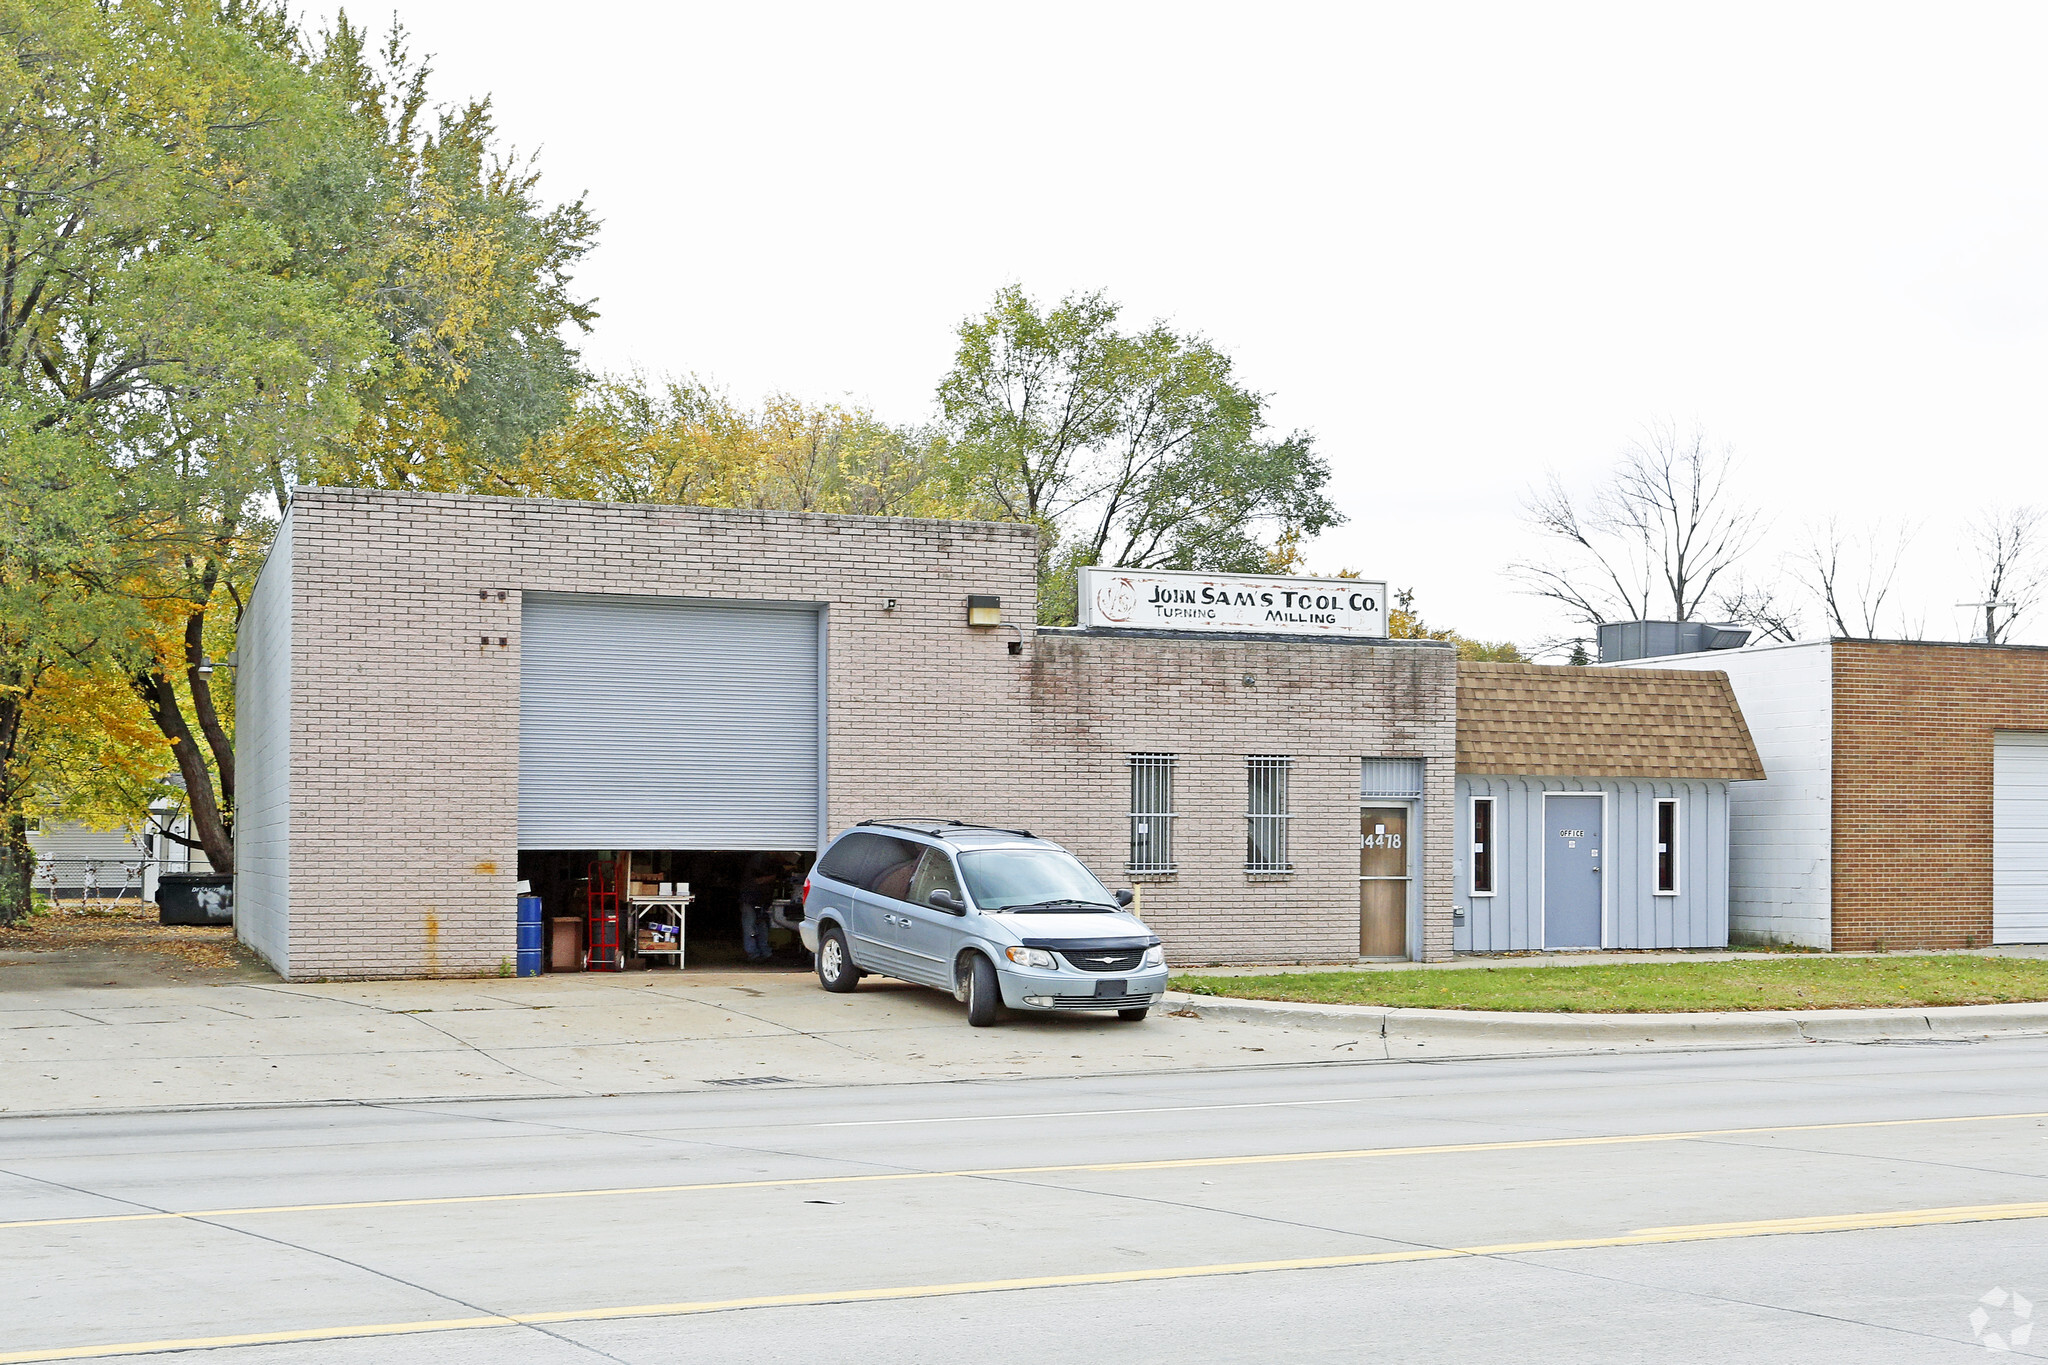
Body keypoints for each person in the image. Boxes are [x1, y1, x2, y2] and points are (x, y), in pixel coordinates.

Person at [738, 852, 786, 964]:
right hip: (750, 899)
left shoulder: (767, 861)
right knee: (751, 927)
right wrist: (775, 876)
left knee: (762, 927)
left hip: (761, 900)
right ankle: (753, 954)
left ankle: (764, 953)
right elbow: (759, 880)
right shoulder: (760, 860)